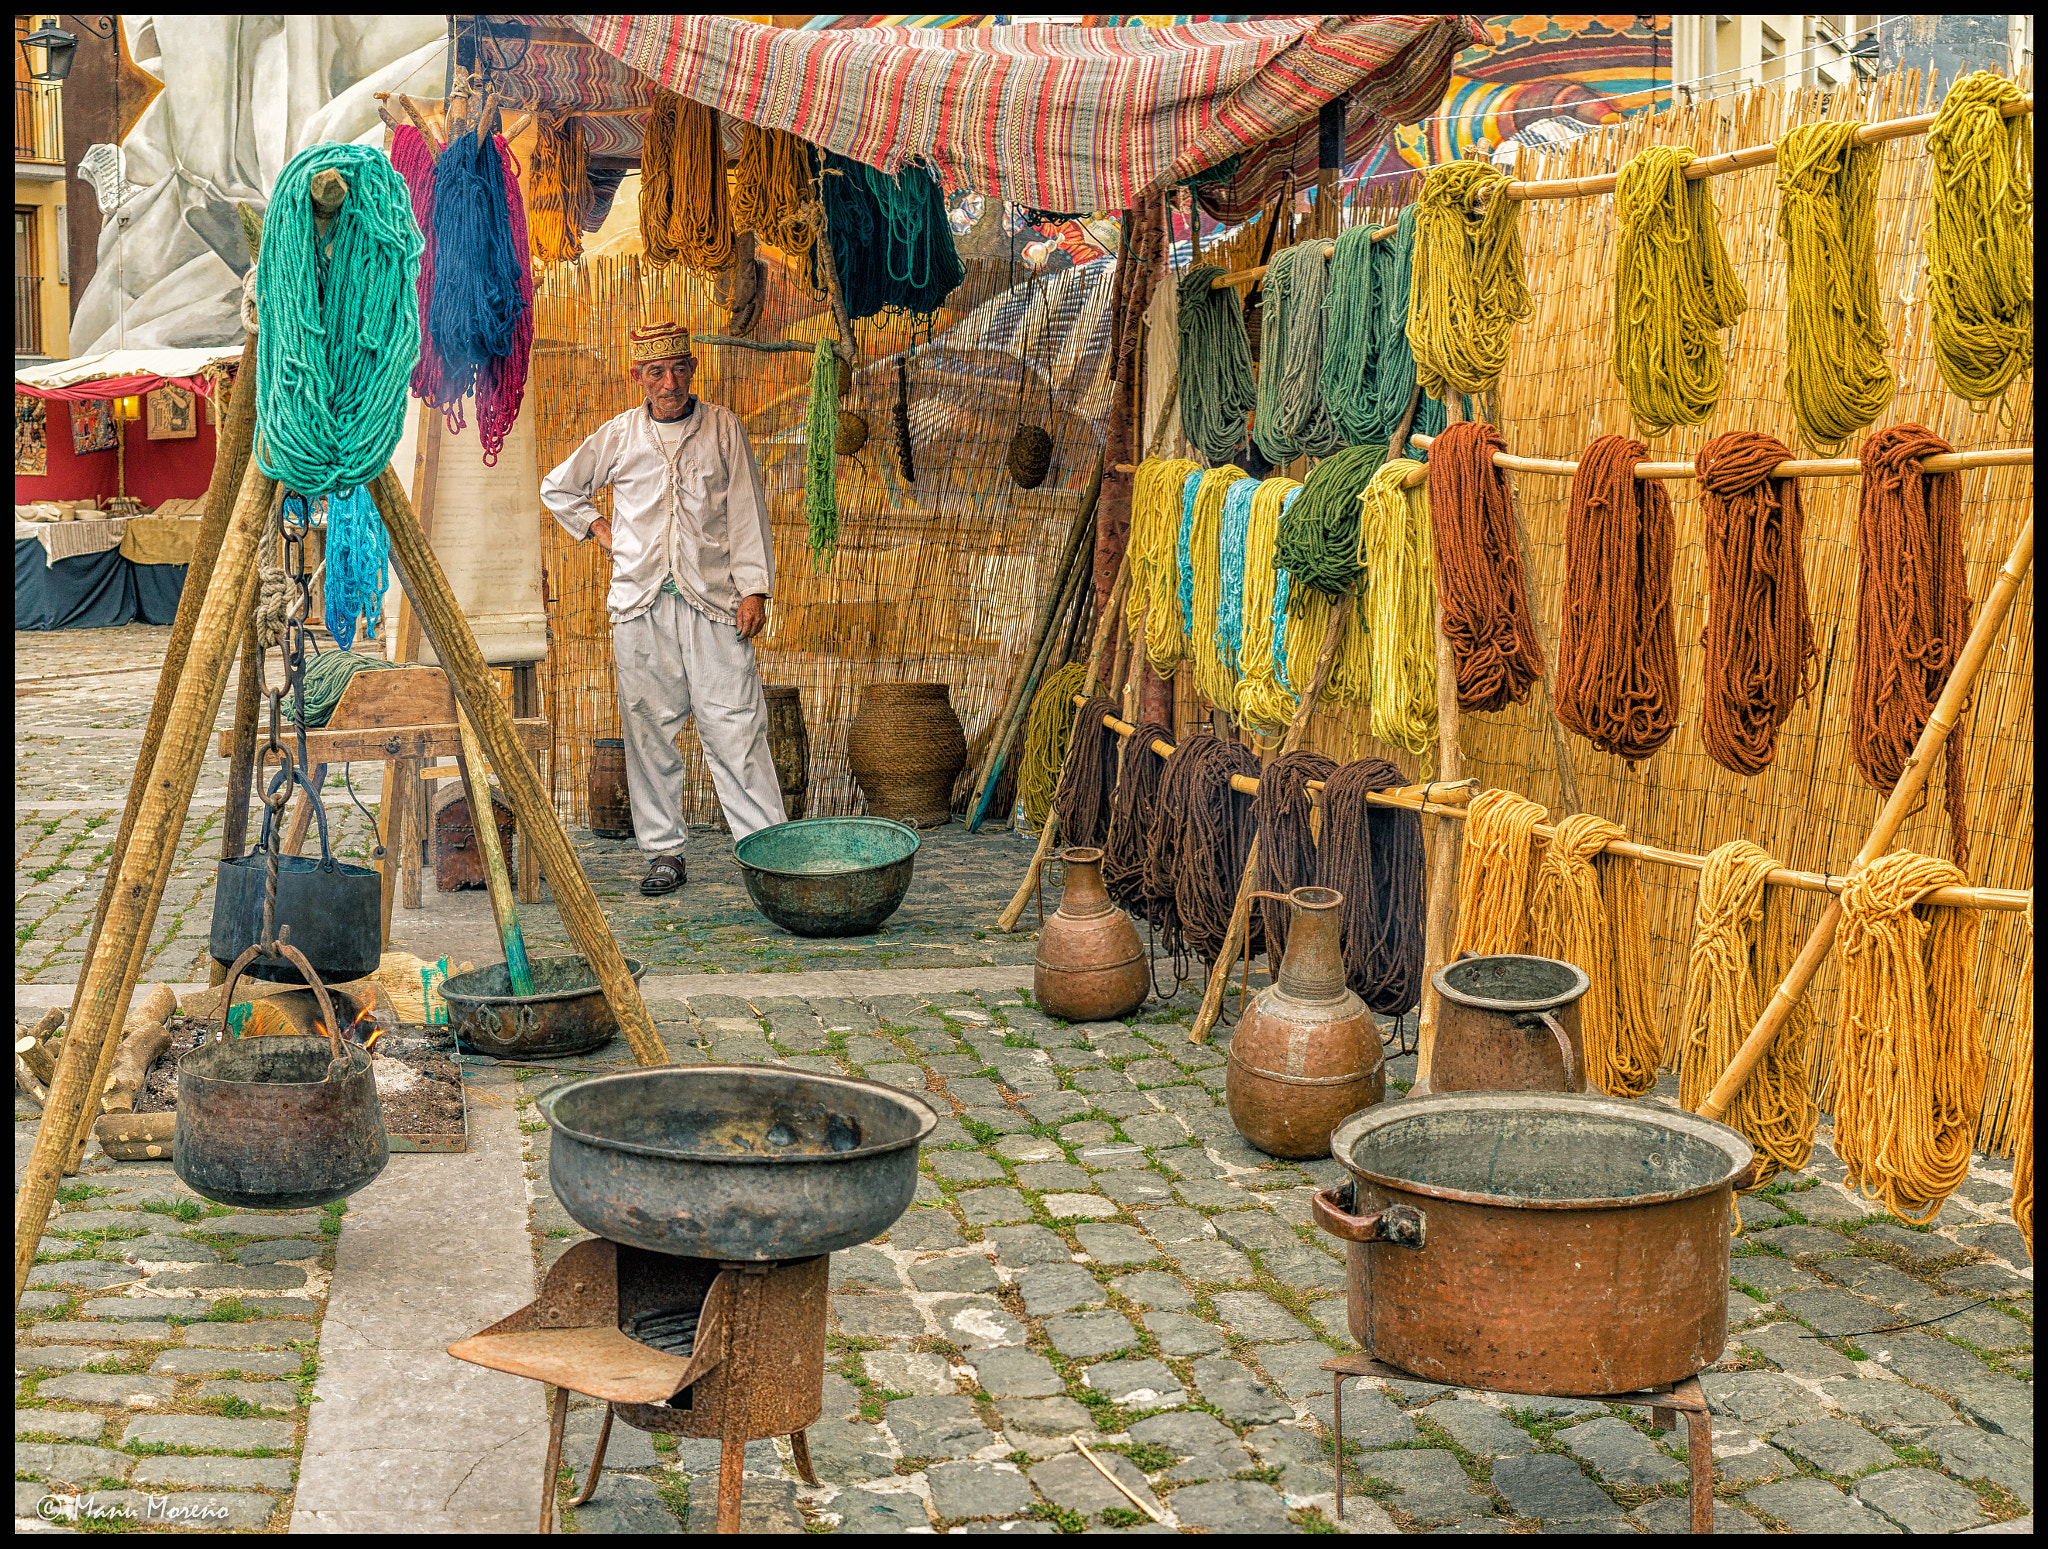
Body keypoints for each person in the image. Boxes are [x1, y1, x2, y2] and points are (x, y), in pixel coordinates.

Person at [541, 321, 785, 895]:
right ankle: (664, 853)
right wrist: (600, 530)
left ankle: (771, 854)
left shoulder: (723, 427)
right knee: (648, 730)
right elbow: (559, 488)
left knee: (737, 727)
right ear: (638, 378)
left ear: (692, 370)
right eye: (656, 371)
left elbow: (748, 510)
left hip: (714, 603)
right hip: (639, 604)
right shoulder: (619, 435)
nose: (669, 381)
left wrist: (754, 588)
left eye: (678, 368)